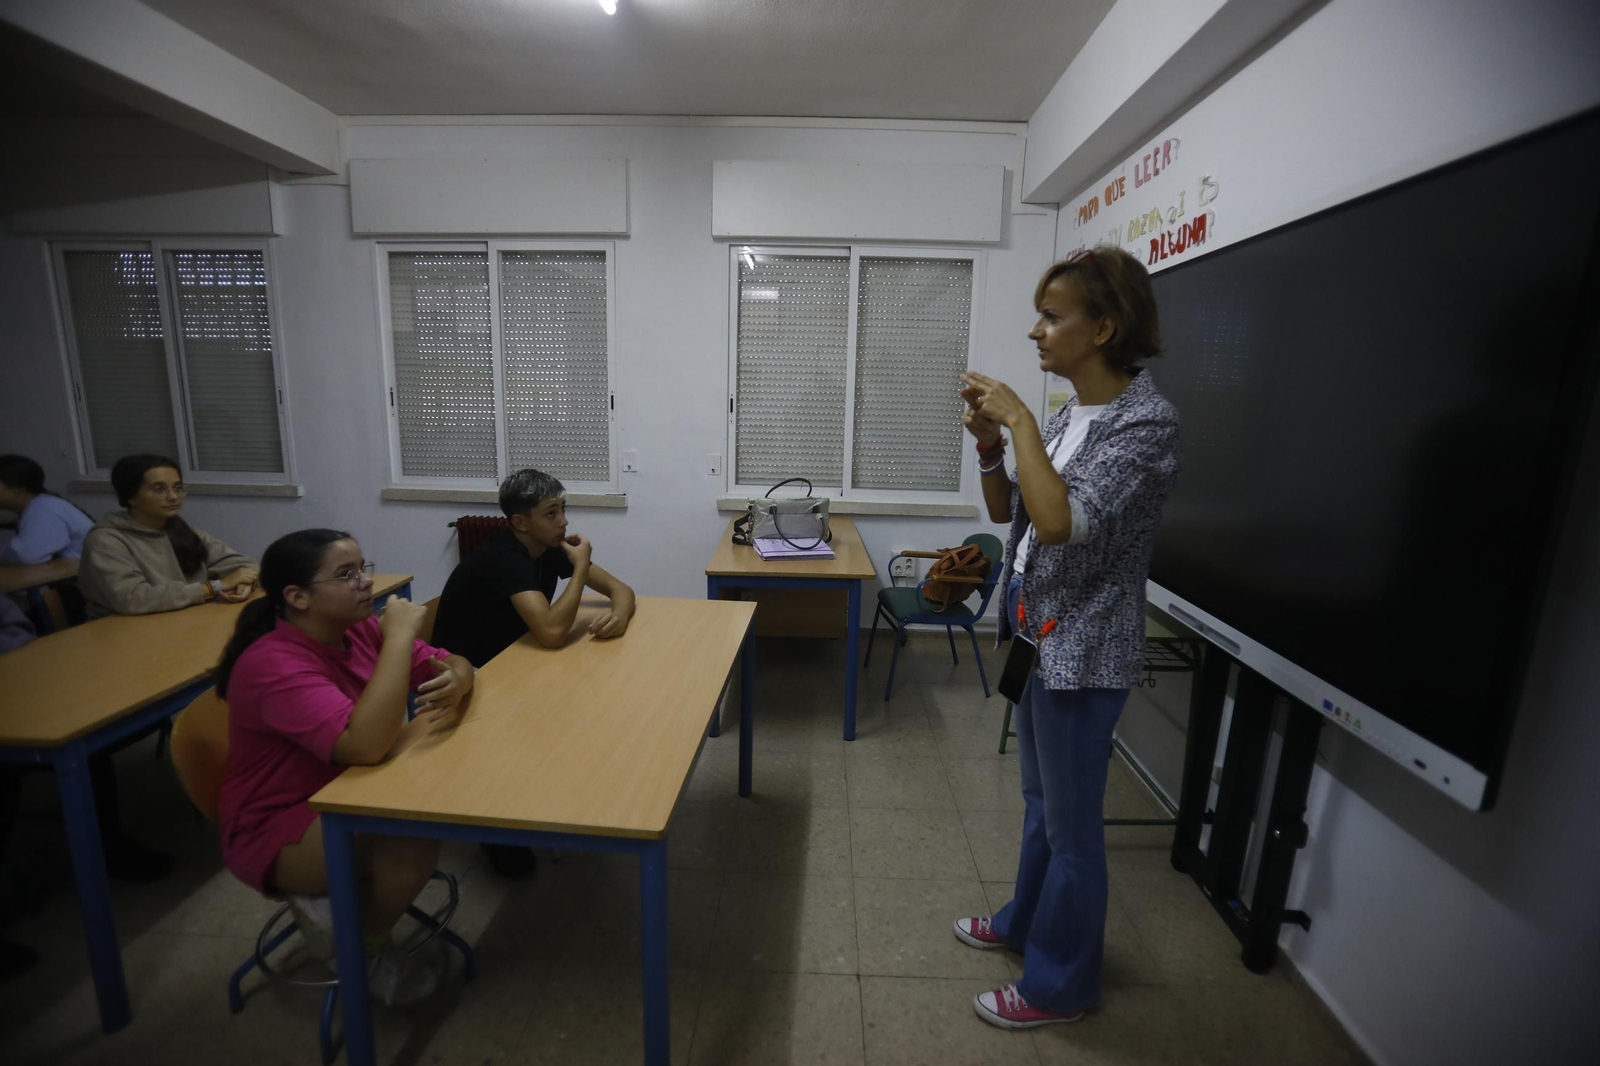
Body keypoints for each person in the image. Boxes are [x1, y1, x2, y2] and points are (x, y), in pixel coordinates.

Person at [951, 246, 1181, 1030]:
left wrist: (1017, 418)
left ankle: (1060, 987)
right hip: (1038, 629)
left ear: (1103, 328)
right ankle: (1024, 923)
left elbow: (1059, 523)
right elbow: (1010, 513)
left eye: (1052, 316)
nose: (1036, 331)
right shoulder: (1070, 416)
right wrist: (993, 444)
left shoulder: (1145, 426)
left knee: (1074, 832)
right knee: (1041, 802)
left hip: (1084, 646)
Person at [214, 528, 475, 1006]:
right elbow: (367, 745)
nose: (365, 582)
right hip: (279, 821)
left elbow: (451, 663)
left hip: (349, 784)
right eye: (346, 574)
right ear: (297, 597)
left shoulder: (355, 630)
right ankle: (359, 948)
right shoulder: (273, 663)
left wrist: (457, 679)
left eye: (362, 568)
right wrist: (400, 637)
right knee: (412, 832)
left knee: (430, 797)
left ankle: (346, 903)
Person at [431, 467, 636, 878]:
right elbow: (553, 633)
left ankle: (544, 798)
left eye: (563, 510)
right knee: (547, 716)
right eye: (551, 513)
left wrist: (620, 616)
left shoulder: (548, 547)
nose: (563, 522)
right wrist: (580, 568)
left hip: (510, 658)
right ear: (520, 523)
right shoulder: (505, 558)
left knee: (582, 700)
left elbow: (622, 590)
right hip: (464, 673)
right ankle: (493, 822)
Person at [78, 454, 258, 619]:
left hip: (182, 618)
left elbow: (245, 564)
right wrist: (215, 587)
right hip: (124, 630)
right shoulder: (105, 540)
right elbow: (132, 598)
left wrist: (244, 583)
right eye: (158, 489)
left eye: (177, 488)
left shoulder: (180, 528)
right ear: (130, 496)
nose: (173, 496)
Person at [0, 455, 95, 566]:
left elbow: (25, 554)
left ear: (18, 487)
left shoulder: (42, 509)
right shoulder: (41, 503)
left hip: (86, 574)